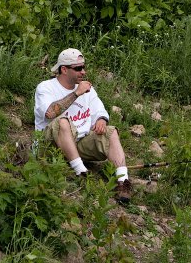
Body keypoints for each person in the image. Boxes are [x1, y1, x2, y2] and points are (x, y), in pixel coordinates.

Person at [34, 48, 132, 203]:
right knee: (62, 122)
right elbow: (50, 113)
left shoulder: (87, 88)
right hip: (50, 147)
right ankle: (82, 173)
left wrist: (101, 120)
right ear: (64, 69)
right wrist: (76, 94)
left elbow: (99, 110)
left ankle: (123, 182)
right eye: (78, 68)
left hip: (78, 144)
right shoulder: (46, 87)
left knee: (111, 132)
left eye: (84, 67)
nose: (83, 72)